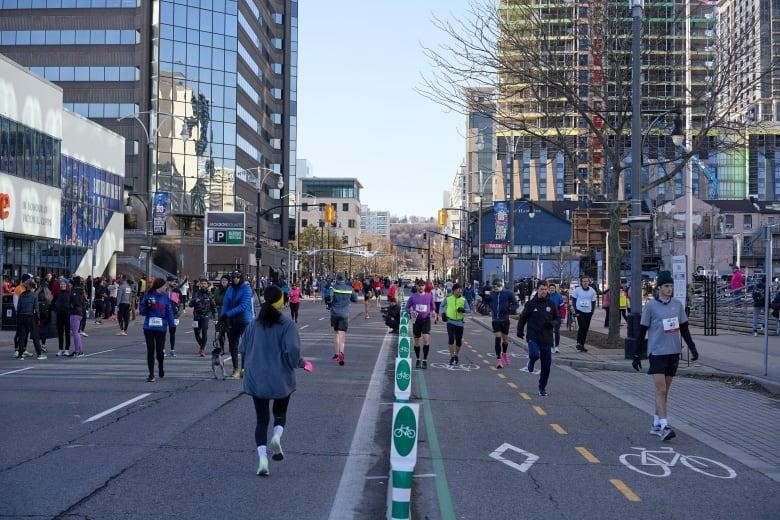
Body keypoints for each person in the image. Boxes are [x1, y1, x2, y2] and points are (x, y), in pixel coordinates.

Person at [240, 285, 313, 476]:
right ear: (281, 302)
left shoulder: (254, 324)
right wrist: (298, 363)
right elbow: (294, 351)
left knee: (261, 419)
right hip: (281, 377)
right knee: (280, 412)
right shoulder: (287, 325)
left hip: (257, 378)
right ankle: (277, 436)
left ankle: (262, 458)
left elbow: (242, 347)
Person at [631, 270, 698, 441]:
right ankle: (664, 426)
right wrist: (636, 354)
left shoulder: (677, 305)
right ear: (659, 287)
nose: (670, 289)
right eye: (667, 286)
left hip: (673, 352)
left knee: (664, 392)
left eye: (671, 286)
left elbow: (684, 328)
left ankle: (655, 423)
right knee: (660, 389)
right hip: (657, 352)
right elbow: (641, 331)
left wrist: (692, 347)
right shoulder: (651, 306)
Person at [517, 282, 560, 396]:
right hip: (533, 336)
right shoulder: (531, 304)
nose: (544, 291)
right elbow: (523, 318)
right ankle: (531, 362)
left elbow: (557, 319)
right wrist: (519, 330)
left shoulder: (551, 304)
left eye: (545, 289)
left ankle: (542, 387)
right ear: (537, 290)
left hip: (547, 338)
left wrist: (552, 323)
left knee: (546, 366)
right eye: (541, 289)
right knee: (535, 355)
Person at [140, 278, 176, 382]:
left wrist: (172, 325)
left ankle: (160, 365)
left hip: (161, 327)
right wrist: (147, 307)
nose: (166, 287)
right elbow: (142, 311)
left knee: (160, 351)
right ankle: (151, 374)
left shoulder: (165, 298)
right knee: (150, 350)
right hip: (149, 327)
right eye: (165, 286)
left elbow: (168, 312)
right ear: (160, 286)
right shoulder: (149, 296)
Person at [221, 270, 254, 378]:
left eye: (238, 277)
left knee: (244, 345)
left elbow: (243, 306)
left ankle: (244, 368)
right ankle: (236, 369)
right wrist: (222, 316)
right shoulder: (230, 288)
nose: (236, 279)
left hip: (244, 320)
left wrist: (228, 314)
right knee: (233, 345)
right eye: (234, 277)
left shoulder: (246, 289)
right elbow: (225, 303)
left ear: (241, 278)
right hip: (232, 320)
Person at [487, 279, 518, 368]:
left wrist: (510, 308)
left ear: (501, 286)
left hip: (505, 319)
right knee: (497, 338)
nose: (495, 289)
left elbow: (516, 304)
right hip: (495, 319)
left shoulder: (508, 293)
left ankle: (504, 353)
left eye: (496, 288)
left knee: (505, 339)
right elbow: (488, 301)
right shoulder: (492, 294)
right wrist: (484, 297)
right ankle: (498, 359)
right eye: (494, 288)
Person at [405, 280, 435, 369]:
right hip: (416, 321)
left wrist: (433, 312)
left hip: (426, 320)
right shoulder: (413, 297)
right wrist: (411, 311)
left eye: (422, 285)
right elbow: (407, 307)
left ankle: (425, 360)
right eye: (419, 285)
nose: (421, 287)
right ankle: (418, 359)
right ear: (416, 286)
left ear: (424, 287)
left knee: (426, 340)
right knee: (417, 341)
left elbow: (433, 307)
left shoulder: (429, 296)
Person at [330, 273, 358, 365]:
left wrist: (329, 303)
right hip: (344, 314)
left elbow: (329, 298)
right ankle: (341, 352)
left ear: (336, 279)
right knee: (342, 334)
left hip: (334, 313)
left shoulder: (333, 287)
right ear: (344, 279)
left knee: (336, 333)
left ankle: (336, 353)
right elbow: (355, 300)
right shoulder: (349, 289)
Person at [440, 283, 470, 366]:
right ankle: (452, 356)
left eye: (461, 290)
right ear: (454, 291)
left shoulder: (464, 299)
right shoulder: (448, 298)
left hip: (460, 322)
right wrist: (442, 314)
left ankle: (456, 354)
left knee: (459, 341)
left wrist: (463, 310)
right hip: (450, 321)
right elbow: (441, 306)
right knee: (451, 339)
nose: (460, 292)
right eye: (458, 290)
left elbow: (468, 310)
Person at [189, 277, 217, 356]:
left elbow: (213, 306)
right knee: (196, 333)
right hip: (196, 316)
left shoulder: (210, 295)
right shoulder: (196, 294)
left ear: (207, 285)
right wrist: (193, 301)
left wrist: (215, 316)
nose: (203, 285)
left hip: (205, 316)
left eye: (205, 284)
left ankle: (202, 349)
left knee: (204, 331)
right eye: (202, 284)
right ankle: (202, 346)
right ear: (199, 285)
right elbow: (190, 305)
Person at [572, 275, 597, 352]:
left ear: (589, 282)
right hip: (580, 311)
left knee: (585, 329)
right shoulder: (577, 290)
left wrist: (592, 311)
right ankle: (578, 343)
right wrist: (576, 310)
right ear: (581, 282)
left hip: (588, 312)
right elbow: (573, 300)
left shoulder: (592, 291)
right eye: (584, 281)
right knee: (582, 326)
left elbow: (593, 302)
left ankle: (582, 345)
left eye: (587, 281)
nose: (585, 283)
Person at [68, 279, 88, 357]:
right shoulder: (81, 291)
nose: (68, 286)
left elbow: (75, 302)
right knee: (77, 333)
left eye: (69, 284)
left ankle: (78, 351)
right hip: (80, 313)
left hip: (75, 313)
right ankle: (79, 350)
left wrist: (71, 305)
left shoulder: (74, 292)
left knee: (75, 333)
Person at [53, 278, 72, 356]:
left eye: (64, 284)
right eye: (61, 284)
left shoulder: (69, 293)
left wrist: (70, 309)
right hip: (59, 315)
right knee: (60, 333)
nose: (62, 285)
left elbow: (73, 303)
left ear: (66, 285)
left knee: (67, 332)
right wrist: (55, 309)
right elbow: (53, 302)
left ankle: (67, 349)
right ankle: (60, 349)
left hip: (67, 315)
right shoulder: (57, 294)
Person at [166, 275, 183, 357]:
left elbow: (182, 303)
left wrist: (178, 314)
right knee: (162, 332)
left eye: (174, 281)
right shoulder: (164, 290)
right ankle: (162, 349)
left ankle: (172, 350)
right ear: (167, 281)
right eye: (171, 281)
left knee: (172, 333)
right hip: (164, 315)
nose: (173, 283)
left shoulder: (177, 291)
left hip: (174, 314)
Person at [213, 275, 230, 353]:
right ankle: (222, 348)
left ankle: (231, 347)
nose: (224, 281)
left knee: (230, 332)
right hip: (219, 312)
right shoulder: (217, 290)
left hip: (229, 313)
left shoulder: (231, 289)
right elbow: (214, 301)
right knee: (220, 332)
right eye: (222, 280)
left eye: (225, 280)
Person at [547, 283, 564, 354]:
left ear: (555, 289)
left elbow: (562, 308)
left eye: (553, 288)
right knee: (549, 332)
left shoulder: (559, 297)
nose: (552, 289)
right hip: (548, 317)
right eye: (550, 288)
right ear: (549, 289)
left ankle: (557, 347)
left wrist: (562, 317)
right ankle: (551, 347)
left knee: (557, 331)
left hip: (557, 317)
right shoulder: (546, 297)